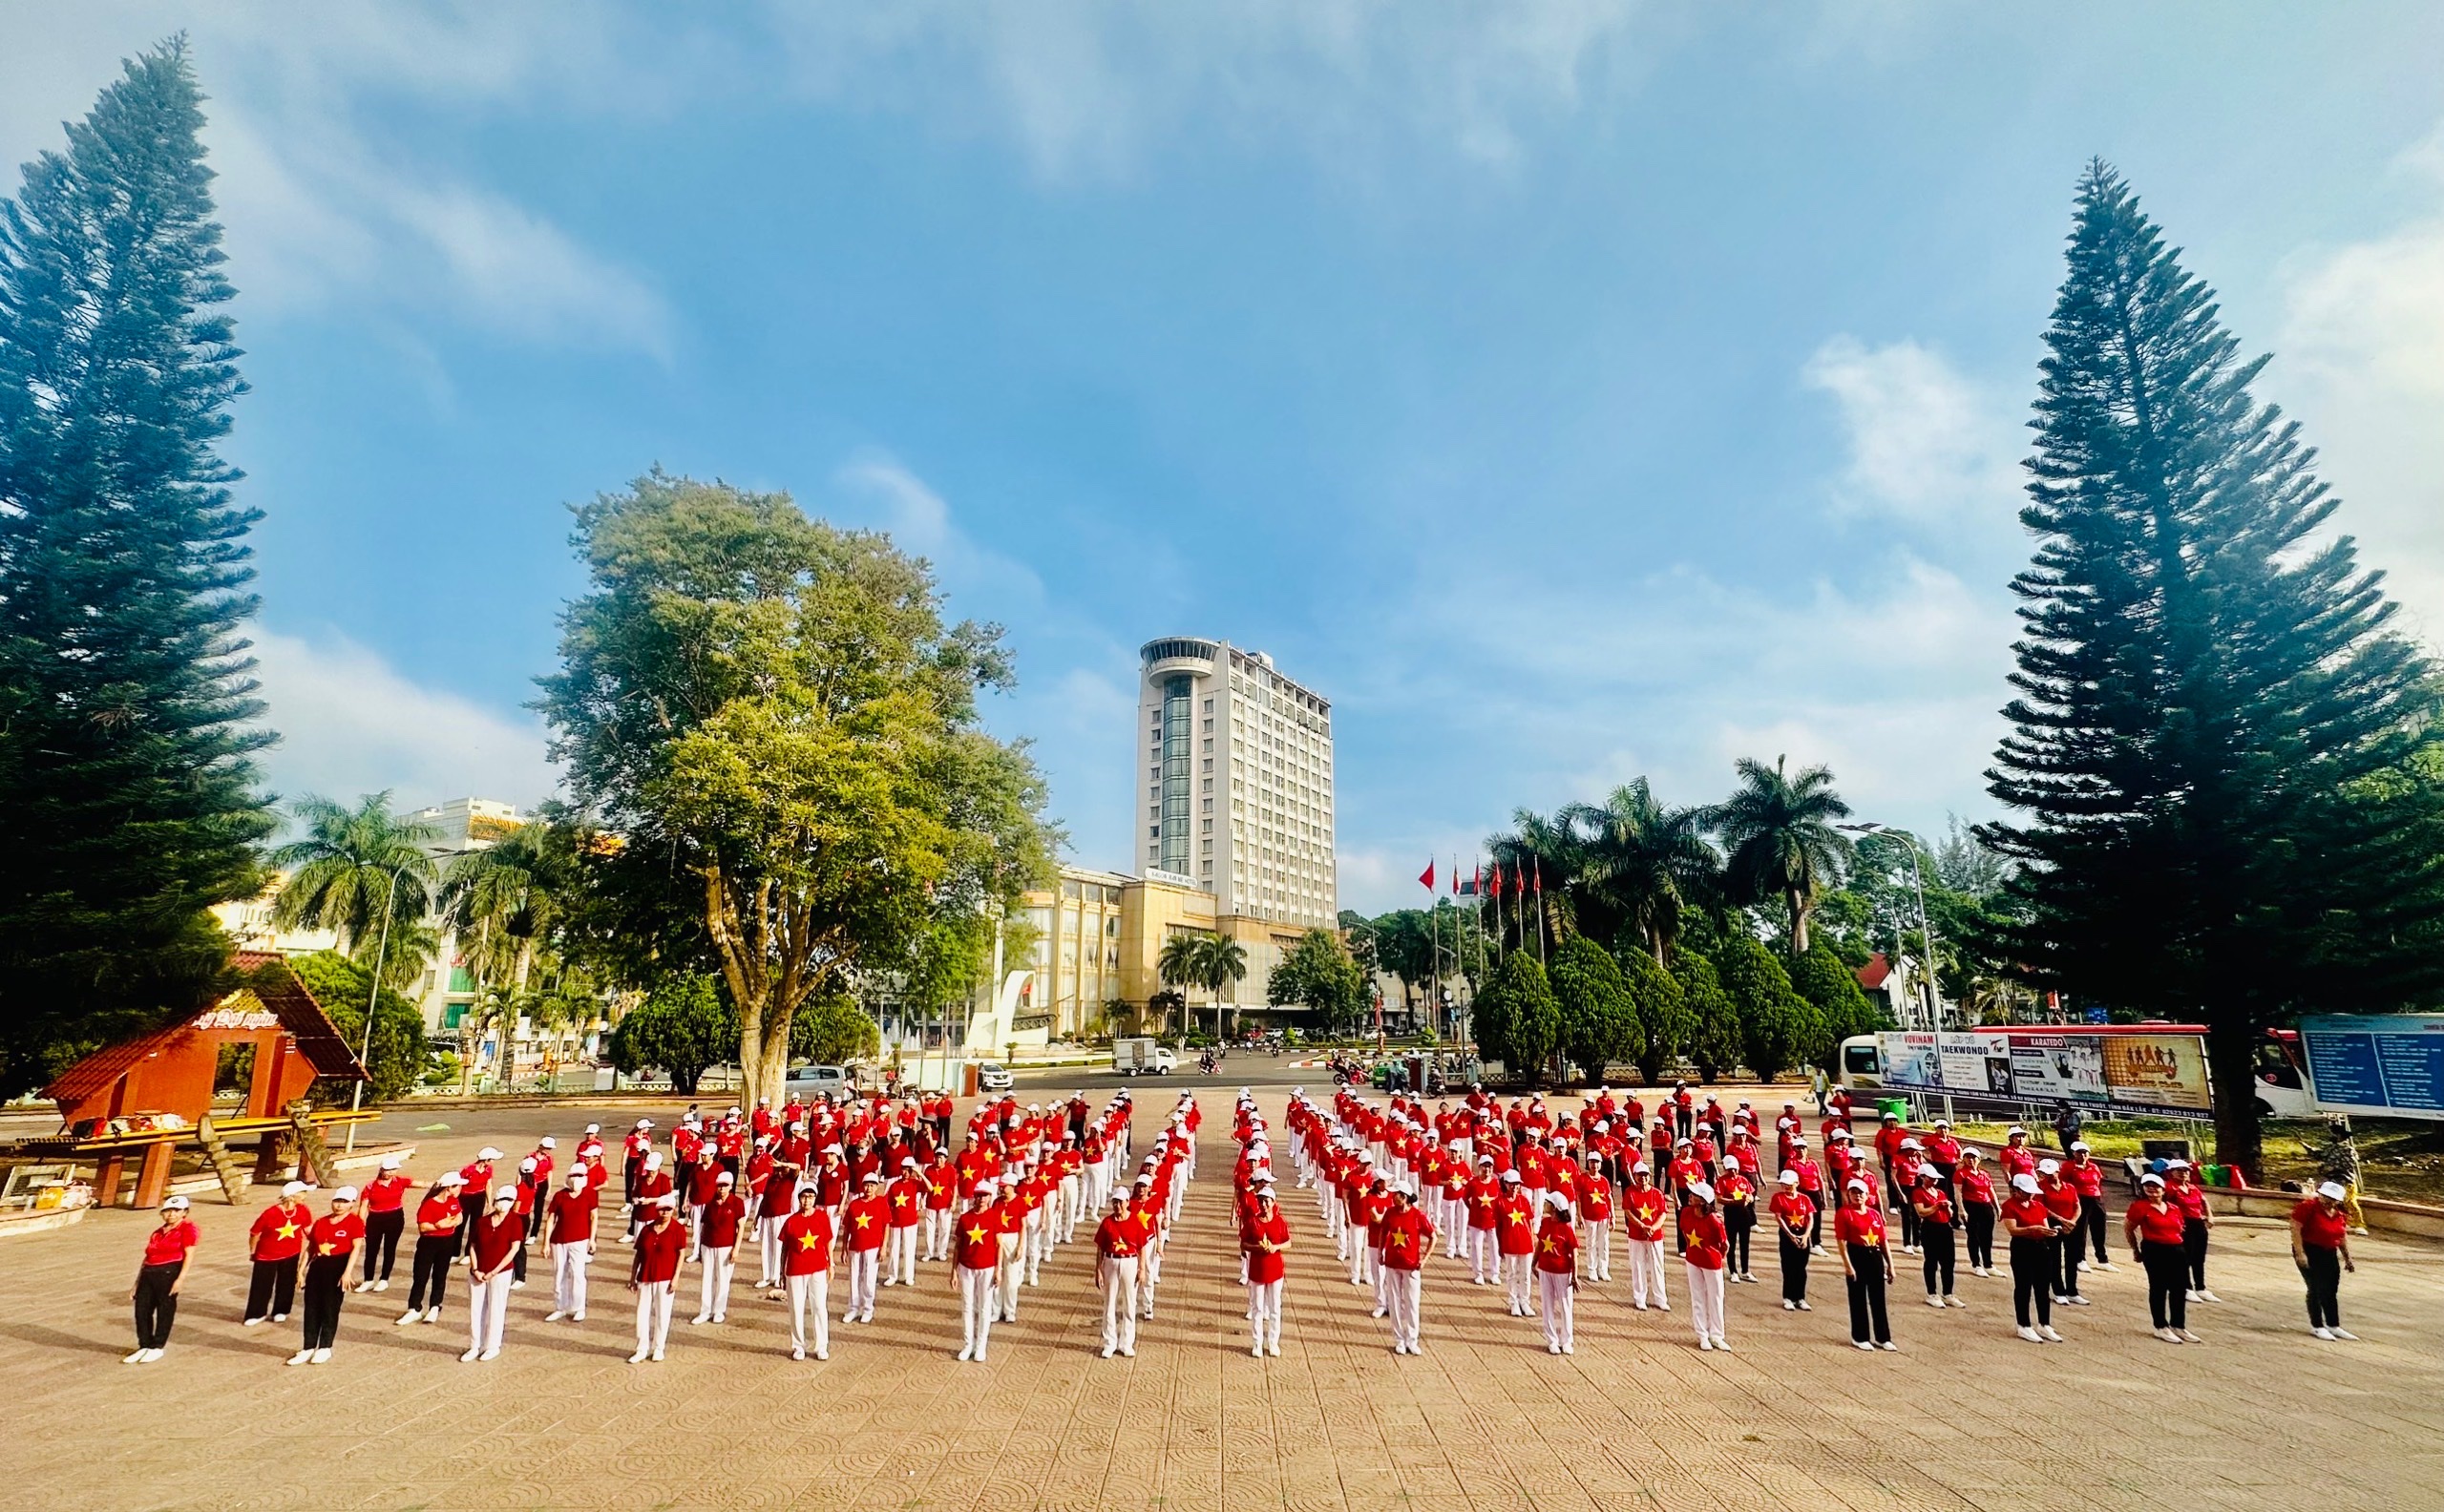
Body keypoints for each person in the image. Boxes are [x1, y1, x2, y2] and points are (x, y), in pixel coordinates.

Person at [289, 1186, 364, 1366]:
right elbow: (310, 1248)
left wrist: (347, 1272)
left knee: (330, 1308)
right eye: (337, 1201)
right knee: (312, 1308)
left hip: (338, 1266)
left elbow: (356, 1248)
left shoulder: (355, 1223)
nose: (339, 1205)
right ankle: (307, 1347)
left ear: (352, 1204)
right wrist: (300, 1271)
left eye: (344, 1202)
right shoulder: (321, 1222)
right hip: (318, 1267)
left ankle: (325, 1347)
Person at [2124, 1172, 2195, 1344]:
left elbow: (2180, 1229)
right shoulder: (2140, 1207)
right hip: (2154, 1249)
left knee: (2179, 1288)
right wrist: (2135, 1250)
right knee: (2158, 1287)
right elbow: (2129, 1228)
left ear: (2163, 1189)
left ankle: (2178, 1325)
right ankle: (2160, 1326)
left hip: (2176, 1249)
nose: (2151, 1189)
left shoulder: (2174, 1208)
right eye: (2147, 1185)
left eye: (2155, 1186)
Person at [128, 1194, 198, 1363]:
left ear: (184, 1212)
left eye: (176, 1210)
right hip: (149, 1272)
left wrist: (180, 1279)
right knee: (142, 1310)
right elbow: (147, 1257)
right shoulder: (157, 1233)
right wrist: (136, 1283)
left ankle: (157, 1346)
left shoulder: (188, 1229)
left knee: (164, 1310)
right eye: (167, 1211)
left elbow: (189, 1255)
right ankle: (144, 1344)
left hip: (169, 1271)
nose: (171, 1214)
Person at [2291, 1180, 2358, 1341]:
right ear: (2320, 1194)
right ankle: (2317, 1326)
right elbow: (2295, 1228)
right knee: (2315, 1288)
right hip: (2309, 1249)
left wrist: (2347, 1257)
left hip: (2329, 1251)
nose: (2328, 1201)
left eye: (2332, 1198)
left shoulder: (2339, 1214)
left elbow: (2341, 1236)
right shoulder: (2307, 1207)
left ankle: (2333, 1325)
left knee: (2330, 1289)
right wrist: (2300, 1253)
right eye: (2325, 1196)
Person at [462, 1186, 523, 1362]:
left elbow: (514, 1249)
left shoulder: (514, 1221)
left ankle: (492, 1346)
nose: (503, 1204)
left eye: (508, 1200)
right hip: (478, 1272)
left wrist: (494, 1271)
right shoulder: (482, 1222)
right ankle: (475, 1345)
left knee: (496, 1308)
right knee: (476, 1309)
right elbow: (472, 1246)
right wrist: (475, 1269)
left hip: (500, 1272)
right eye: (501, 1200)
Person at [2002, 1173, 2064, 1343]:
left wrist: (2051, 1232)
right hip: (2022, 1248)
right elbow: (2013, 1230)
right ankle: (2024, 1325)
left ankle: (2044, 1323)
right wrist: (2032, 1228)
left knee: (2043, 1287)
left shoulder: (2037, 1205)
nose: (2030, 1195)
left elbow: (2044, 1226)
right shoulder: (2009, 1206)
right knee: (2023, 1287)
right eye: (2025, 1192)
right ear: (2015, 1190)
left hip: (2041, 1247)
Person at [399, 1170, 466, 1324]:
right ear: (449, 1188)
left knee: (440, 1275)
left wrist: (449, 1223)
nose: (460, 1190)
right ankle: (414, 1308)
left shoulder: (454, 1201)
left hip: (447, 1242)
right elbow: (423, 1227)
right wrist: (439, 1226)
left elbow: (459, 1217)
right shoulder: (429, 1204)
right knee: (421, 1276)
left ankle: (435, 1306)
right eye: (457, 1187)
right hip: (429, 1244)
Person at [243, 1180, 312, 1327]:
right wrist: (253, 1251)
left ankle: (281, 1310)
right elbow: (254, 1233)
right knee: (261, 1284)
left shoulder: (303, 1210)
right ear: (292, 1196)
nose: (305, 1196)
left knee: (287, 1283)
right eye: (303, 1193)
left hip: (291, 1253)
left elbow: (308, 1229)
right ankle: (257, 1313)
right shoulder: (270, 1213)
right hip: (267, 1254)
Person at [1837, 1178, 1895, 1351]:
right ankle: (1860, 1336)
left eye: (1860, 1192)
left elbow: (1883, 1241)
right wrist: (1848, 1265)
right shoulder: (1844, 1213)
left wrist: (1890, 1265)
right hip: (1856, 1253)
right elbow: (1841, 1241)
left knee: (1878, 1298)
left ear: (1867, 1195)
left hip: (1874, 1255)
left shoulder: (1874, 1214)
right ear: (1849, 1194)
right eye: (1853, 1192)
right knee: (1858, 1297)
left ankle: (1882, 1337)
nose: (1857, 1196)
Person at [778, 1186, 833, 1360]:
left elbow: (828, 1241)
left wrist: (831, 1263)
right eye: (804, 1196)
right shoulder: (791, 1221)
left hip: (817, 1268)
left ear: (815, 1198)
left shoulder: (822, 1217)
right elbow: (784, 1248)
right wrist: (781, 1272)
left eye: (810, 1196)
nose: (807, 1200)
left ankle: (821, 1345)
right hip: (795, 1270)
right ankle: (798, 1346)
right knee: (796, 1308)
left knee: (819, 1307)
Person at [628, 1194, 685, 1364]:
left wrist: (676, 1277)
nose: (665, 1212)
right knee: (642, 1313)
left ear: (673, 1210)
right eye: (662, 1209)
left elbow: (681, 1253)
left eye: (668, 1209)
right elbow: (638, 1255)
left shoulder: (677, 1229)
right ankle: (641, 1348)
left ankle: (659, 1347)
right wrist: (632, 1278)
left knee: (662, 1313)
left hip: (665, 1277)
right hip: (645, 1276)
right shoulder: (647, 1229)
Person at [1378, 1186, 1434, 1354]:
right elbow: (1383, 1232)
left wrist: (1424, 1258)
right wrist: (1381, 1251)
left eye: (1397, 1195)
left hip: (1411, 1265)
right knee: (1394, 1302)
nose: (1393, 1197)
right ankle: (1399, 1339)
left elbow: (1432, 1236)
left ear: (1405, 1197)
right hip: (1392, 1263)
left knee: (1412, 1303)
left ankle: (1412, 1339)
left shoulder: (1418, 1216)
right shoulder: (1390, 1213)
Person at [953, 1183, 1001, 1362]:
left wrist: (999, 1270)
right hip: (966, 1267)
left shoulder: (994, 1217)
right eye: (979, 1195)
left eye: (985, 1195)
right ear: (974, 1196)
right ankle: (968, 1344)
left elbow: (999, 1245)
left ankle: (981, 1346)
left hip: (987, 1268)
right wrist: (954, 1271)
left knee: (984, 1307)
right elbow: (958, 1246)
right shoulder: (965, 1218)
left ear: (990, 1197)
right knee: (967, 1306)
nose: (981, 1199)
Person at [1679, 1181, 1729, 1352]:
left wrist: (1719, 1258)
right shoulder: (1685, 1213)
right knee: (1698, 1297)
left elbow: (1725, 1244)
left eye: (1693, 1195)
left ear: (1702, 1201)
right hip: (1693, 1260)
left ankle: (1717, 1335)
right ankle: (1702, 1334)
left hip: (1712, 1263)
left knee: (1715, 1298)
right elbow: (1685, 1234)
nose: (1689, 1196)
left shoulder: (1714, 1221)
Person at [693, 1170, 748, 1325]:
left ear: (730, 1187)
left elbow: (741, 1227)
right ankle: (705, 1310)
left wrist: (736, 1248)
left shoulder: (737, 1203)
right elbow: (703, 1226)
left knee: (723, 1278)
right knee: (707, 1278)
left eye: (725, 1186)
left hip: (726, 1246)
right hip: (708, 1245)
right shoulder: (710, 1203)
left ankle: (719, 1310)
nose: (722, 1189)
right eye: (719, 1186)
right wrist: (699, 1248)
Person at [1243, 1186, 1291, 1357]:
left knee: (1275, 1307)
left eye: (1267, 1201)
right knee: (1257, 1308)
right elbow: (1244, 1243)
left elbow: (1288, 1242)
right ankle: (1257, 1343)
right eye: (1260, 1201)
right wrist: (1257, 1248)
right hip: (1257, 1270)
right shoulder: (1252, 1222)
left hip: (1275, 1270)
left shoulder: (1279, 1222)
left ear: (1273, 1203)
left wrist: (1275, 1247)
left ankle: (1273, 1342)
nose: (1263, 1204)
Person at [542, 1169, 597, 1322]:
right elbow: (551, 1219)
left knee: (577, 1273)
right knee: (559, 1273)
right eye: (573, 1176)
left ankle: (579, 1307)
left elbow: (594, 1217)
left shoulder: (589, 1194)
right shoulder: (560, 1196)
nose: (576, 1179)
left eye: (579, 1176)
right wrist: (546, 1243)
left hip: (580, 1239)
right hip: (559, 1240)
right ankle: (561, 1307)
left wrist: (592, 1239)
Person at [1094, 1191, 1142, 1358]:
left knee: (1130, 1303)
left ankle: (1126, 1343)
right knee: (1109, 1303)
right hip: (1111, 1262)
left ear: (1128, 1202)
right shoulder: (1107, 1222)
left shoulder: (1135, 1220)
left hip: (1129, 1262)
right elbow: (1100, 1248)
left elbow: (1141, 1246)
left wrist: (1141, 1269)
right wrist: (1098, 1270)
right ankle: (1109, 1342)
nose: (1117, 1206)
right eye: (1115, 1202)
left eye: (1120, 1202)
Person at [2164, 1160, 2219, 1303]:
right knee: (2184, 1258)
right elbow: (2164, 1206)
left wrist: (2210, 1216)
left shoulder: (2192, 1188)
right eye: (2179, 1170)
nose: (2183, 1173)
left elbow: (2203, 1201)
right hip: (2182, 1225)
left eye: (2186, 1170)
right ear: (2171, 1172)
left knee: (2199, 1258)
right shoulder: (2169, 1188)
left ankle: (2201, 1288)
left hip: (2197, 1223)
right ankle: (2185, 1287)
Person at [1532, 1190, 1579, 1355]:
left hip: (1562, 1271)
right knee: (1547, 1305)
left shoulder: (1566, 1229)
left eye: (1548, 1203)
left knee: (1566, 1307)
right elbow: (1539, 1245)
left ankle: (1566, 1340)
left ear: (1555, 1208)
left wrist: (1575, 1275)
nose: (1545, 1205)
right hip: (1545, 1269)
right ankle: (1552, 1340)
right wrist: (1534, 1263)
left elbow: (1574, 1252)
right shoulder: (1545, 1223)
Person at [355, 1155, 411, 1292]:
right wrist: (359, 1226)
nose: (391, 1172)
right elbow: (362, 1207)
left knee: (389, 1249)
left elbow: (420, 1184)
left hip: (395, 1217)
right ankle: (368, 1280)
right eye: (388, 1170)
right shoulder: (370, 1186)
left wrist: (441, 1184)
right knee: (371, 1251)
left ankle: (384, 1279)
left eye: (393, 1169)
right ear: (381, 1170)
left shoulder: (400, 1181)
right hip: (375, 1219)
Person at [841, 1170, 888, 1325]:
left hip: (873, 1246)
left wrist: (884, 1246)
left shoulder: (881, 1203)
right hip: (855, 1246)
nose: (869, 1188)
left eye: (872, 1185)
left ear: (876, 1187)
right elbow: (847, 1228)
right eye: (867, 1185)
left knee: (869, 1279)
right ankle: (853, 1308)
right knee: (854, 1278)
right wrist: (843, 1249)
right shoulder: (855, 1204)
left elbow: (886, 1225)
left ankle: (868, 1308)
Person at [1621, 1164, 1671, 1312]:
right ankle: (1640, 1298)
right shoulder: (1630, 1192)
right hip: (1636, 1235)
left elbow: (1663, 1213)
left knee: (1657, 1267)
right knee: (1638, 1266)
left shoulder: (1657, 1193)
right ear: (1635, 1176)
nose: (1643, 1178)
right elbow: (1628, 1212)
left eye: (1645, 1175)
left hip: (1655, 1236)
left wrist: (1653, 1228)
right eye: (1640, 1175)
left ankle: (1661, 1299)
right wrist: (1642, 1226)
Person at [1911, 1167, 1961, 1309]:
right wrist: (1936, 1206)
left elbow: (1950, 1214)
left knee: (1948, 1262)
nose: (1934, 1181)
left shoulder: (1940, 1192)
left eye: (1935, 1179)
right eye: (1930, 1178)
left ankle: (1948, 1293)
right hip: (1930, 1228)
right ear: (1922, 1177)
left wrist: (1947, 1208)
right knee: (1932, 1261)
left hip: (1945, 1228)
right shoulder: (1918, 1193)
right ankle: (1932, 1293)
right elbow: (1921, 1212)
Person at [2064, 1143, 2113, 1272]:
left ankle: (2102, 1259)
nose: (2083, 1155)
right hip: (2080, 1200)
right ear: (2073, 1153)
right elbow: (2065, 1184)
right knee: (2080, 1231)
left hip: (2096, 1199)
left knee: (2099, 1230)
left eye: (2085, 1152)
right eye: (2079, 1152)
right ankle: (2080, 1259)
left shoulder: (2094, 1167)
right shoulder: (2069, 1167)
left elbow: (2097, 1182)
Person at [1769, 1170, 1814, 1312]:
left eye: (1789, 1184)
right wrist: (1790, 1236)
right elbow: (1779, 1217)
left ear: (1796, 1183)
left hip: (1803, 1233)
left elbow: (1811, 1218)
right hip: (1787, 1234)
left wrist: (1806, 1236)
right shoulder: (1778, 1198)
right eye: (1784, 1184)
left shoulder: (1805, 1199)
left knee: (1801, 1268)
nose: (1786, 1187)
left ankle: (1800, 1297)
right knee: (1788, 1267)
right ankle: (1787, 1297)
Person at [2313, 1118, 2367, 1233]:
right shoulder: (2332, 1148)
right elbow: (2320, 1155)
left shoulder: (2348, 1149)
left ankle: (2359, 1224)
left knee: (2349, 1202)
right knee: (2332, 1203)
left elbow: (2350, 1164)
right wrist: (2307, 1147)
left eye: (2332, 1134)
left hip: (2345, 1180)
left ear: (2338, 1135)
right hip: (2332, 1181)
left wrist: (2333, 1167)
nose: (2330, 1136)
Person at [1958, 1148, 1997, 1278]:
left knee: (1987, 1236)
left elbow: (1991, 1191)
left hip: (1986, 1205)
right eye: (1968, 1157)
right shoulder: (1961, 1174)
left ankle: (1988, 1264)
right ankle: (1976, 1264)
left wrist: (1997, 1207)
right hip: (1971, 1205)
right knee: (1974, 1235)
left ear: (1979, 1159)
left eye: (1973, 1157)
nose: (1971, 1160)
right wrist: (1961, 1209)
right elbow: (1958, 1193)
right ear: (1963, 1159)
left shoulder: (1984, 1174)